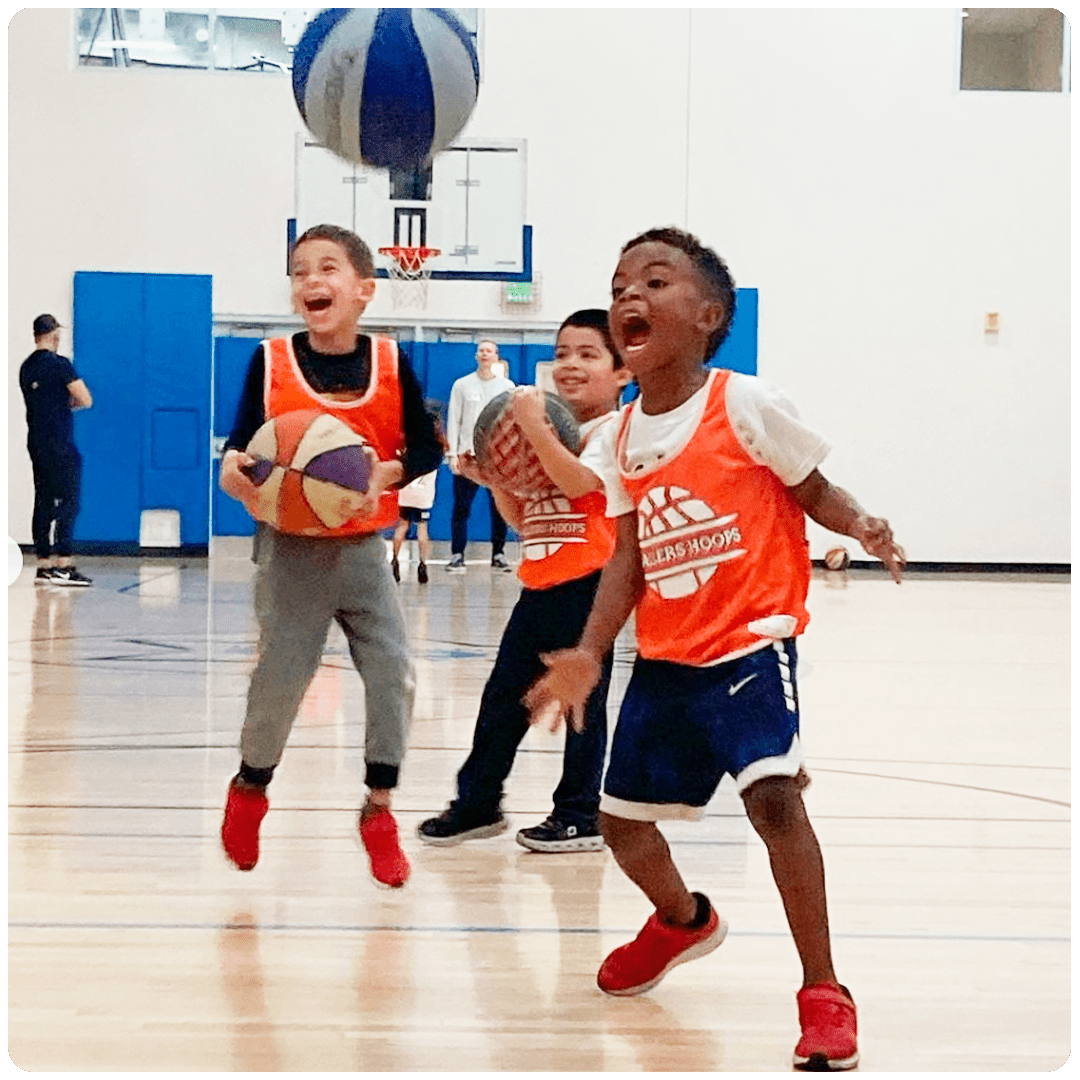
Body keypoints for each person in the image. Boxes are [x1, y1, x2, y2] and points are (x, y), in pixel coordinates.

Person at [525, 228, 906, 1071]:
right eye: (619, 285)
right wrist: (589, 651)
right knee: (620, 825)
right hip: (666, 661)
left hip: (751, 643)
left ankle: (824, 992)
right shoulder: (618, 438)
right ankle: (682, 921)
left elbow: (812, 488)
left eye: (655, 282)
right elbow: (627, 558)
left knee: (774, 801)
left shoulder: (745, 404)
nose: (630, 296)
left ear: (707, 316)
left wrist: (860, 523)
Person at [217, 223, 443, 888]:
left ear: (364, 289)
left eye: (327, 268)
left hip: (363, 548)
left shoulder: (391, 361)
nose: (311, 280)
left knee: (394, 673)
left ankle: (379, 809)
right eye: (300, 272)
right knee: (280, 680)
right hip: (290, 550)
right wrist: (234, 473)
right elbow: (240, 448)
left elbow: (425, 450)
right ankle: (250, 789)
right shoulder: (270, 360)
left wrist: (386, 474)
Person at [418, 310, 630, 852]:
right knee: (503, 700)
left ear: (622, 372)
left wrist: (533, 427)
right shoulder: (552, 431)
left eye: (587, 354)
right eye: (562, 354)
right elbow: (524, 518)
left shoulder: (614, 431)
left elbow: (580, 484)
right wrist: (493, 478)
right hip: (540, 584)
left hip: (590, 585)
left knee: (579, 705)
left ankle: (580, 814)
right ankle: (478, 804)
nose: (570, 364)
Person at [18, 314, 94, 587]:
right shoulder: (61, 365)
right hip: (60, 441)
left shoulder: (26, 367)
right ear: (53, 334)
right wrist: (66, 403)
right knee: (69, 499)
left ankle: (44, 565)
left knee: (43, 500)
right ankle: (64, 563)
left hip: (36, 441)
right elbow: (85, 399)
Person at [445, 339, 515, 572]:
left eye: (489, 351)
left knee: (500, 508)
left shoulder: (507, 387)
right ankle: (457, 554)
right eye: (481, 350)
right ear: (476, 355)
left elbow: (510, 422)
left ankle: (499, 554)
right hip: (468, 457)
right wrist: (453, 454)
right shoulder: (462, 385)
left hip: (496, 459)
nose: (485, 354)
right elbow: (454, 419)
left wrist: (509, 454)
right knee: (461, 508)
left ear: (496, 356)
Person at [391, 399, 446, 585]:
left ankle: (394, 561)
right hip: (424, 495)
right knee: (422, 528)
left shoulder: (408, 443)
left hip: (406, 491)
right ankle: (423, 565)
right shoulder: (437, 446)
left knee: (402, 526)